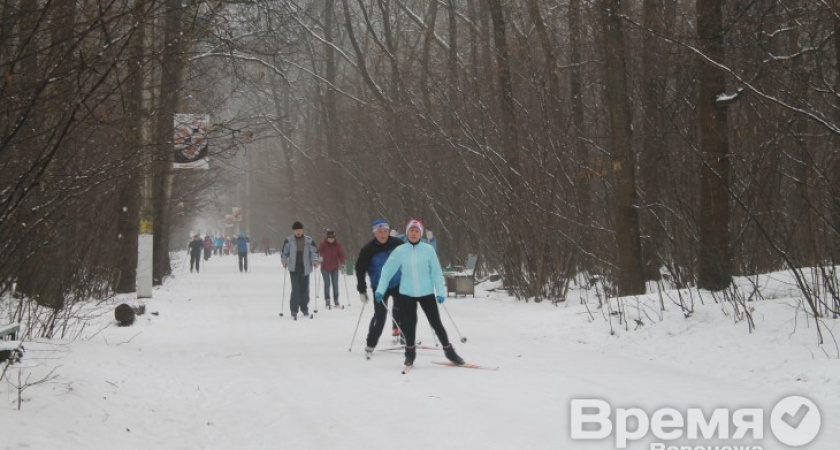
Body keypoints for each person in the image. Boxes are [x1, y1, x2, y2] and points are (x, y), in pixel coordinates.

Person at [376, 219, 464, 367]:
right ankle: (409, 355)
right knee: (409, 324)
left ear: (420, 233)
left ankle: (450, 352)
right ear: (407, 233)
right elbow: (387, 271)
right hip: (407, 293)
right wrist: (380, 290)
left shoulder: (428, 249)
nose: (413, 233)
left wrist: (440, 292)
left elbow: (436, 271)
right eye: (411, 230)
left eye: (416, 231)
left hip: (426, 292)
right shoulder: (400, 251)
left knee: (436, 323)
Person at [356, 219, 405, 357]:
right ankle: (370, 344)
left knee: (405, 311)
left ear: (388, 232)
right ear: (374, 233)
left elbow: (409, 258)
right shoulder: (368, 249)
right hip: (380, 287)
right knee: (380, 316)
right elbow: (360, 269)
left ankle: (405, 336)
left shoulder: (398, 244)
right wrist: (362, 290)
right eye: (379, 232)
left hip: (398, 283)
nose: (382, 234)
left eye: (385, 231)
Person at [281, 221, 321, 319]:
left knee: (304, 290)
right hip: (294, 269)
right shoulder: (288, 240)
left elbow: (315, 252)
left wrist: (315, 261)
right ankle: (294, 310)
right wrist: (284, 261)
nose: (298, 232)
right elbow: (284, 253)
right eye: (296, 230)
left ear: (302, 230)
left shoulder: (309, 240)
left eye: (300, 230)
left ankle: (304, 308)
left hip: (305, 268)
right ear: (293, 231)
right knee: (295, 289)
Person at [318, 229, 346, 307]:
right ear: (327, 238)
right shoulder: (323, 244)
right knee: (327, 284)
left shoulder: (337, 245)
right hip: (325, 267)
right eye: (329, 238)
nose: (331, 239)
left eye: (332, 238)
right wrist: (320, 258)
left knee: (335, 284)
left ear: (334, 238)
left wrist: (342, 263)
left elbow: (341, 255)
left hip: (334, 267)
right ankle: (327, 299)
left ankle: (336, 299)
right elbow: (319, 252)